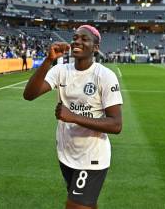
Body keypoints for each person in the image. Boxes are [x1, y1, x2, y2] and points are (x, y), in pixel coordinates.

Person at [23, 25, 123, 209]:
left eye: (84, 39)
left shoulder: (105, 76)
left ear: (95, 47)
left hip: (92, 157)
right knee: (86, 204)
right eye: (75, 37)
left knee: (75, 205)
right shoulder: (61, 70)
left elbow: (116, 124)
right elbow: (29, 95)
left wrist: (74, 116)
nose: (77, 41)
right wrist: (48, 60)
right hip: (66, 153)